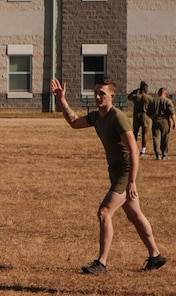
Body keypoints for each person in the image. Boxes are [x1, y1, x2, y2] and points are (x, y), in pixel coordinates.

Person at [52, 77, 166, 273]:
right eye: (95, 92)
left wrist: (131, 182)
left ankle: (101, 263)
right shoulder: (97, 117)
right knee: (135, 215)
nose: (97, 96)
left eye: (101, 93)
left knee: (104, 212)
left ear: (112, 96)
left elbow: (133, 150)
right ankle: (155, 255)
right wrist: (61, 99)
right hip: (115, 172)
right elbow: (74, 122)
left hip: (126, 171)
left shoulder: (118, 118)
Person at [127, 81, 153, 156]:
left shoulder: (136, 97)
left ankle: (133, 148)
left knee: (135, 132)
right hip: (145, 115)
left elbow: (129, 97)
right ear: (146, 89)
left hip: (136, 115)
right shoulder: (149, 97)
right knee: (144, 133)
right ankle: (143, 150)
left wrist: (134, 91)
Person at [149, 87, 174, 160]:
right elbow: (172, 113)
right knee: (165, 137)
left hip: (155, 120)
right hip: (165, 120)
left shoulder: (153, 101)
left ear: (158, 93)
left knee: (156, 137)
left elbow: (148, 112)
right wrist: (174, 122)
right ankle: (164, 154)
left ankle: (158, 155)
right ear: (165, 93)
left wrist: (153, 118)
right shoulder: (168, 101)